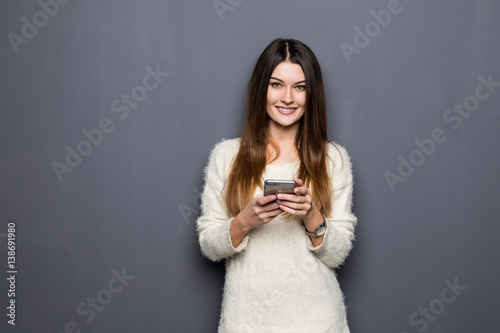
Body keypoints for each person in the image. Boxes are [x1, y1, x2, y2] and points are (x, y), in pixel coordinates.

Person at [196, 38, 357, 332]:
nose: (287, 98)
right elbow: (209, 245)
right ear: (261, 89)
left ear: (312, 94)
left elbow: (338, 254)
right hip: (246, 321)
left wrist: (311, 215)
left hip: (318, 321)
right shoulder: (227, 156)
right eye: (276, 84)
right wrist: (245, 221)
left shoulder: (333, 159)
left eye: (300, 87)